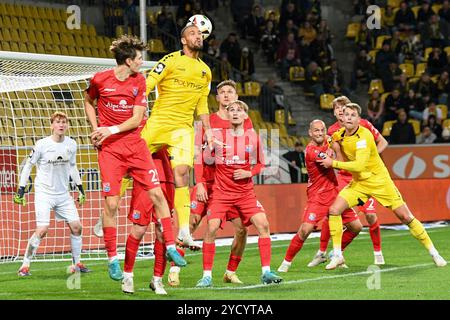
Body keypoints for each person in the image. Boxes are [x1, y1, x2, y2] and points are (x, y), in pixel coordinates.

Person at [84, 35, 185, 281]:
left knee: (157, 194)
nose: (143, 62)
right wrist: (95, 127)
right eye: (140, 58)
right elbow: (88, 101)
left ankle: (170, 246)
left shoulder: (139, 81)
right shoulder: (100, 79)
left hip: (135, 146)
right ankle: (112, 260)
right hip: (110, 151)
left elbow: (137, 119)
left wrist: (109, 129)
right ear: (128, 60)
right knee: (111, 203)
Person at [317, 103, 447, 269]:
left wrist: (332, 162)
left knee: (406, 217)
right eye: (346, 114)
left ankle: (434, 253)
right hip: (359, 184)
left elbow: (359, 166)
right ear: (340, 118)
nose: (348, 117)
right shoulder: (339, 135)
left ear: (359, 120)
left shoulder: (364, 136)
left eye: (352, 115)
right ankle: (337, 255)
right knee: (334, 210)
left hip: (380, 182)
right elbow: (331, 141)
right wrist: (329, 148)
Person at [168, 80, 252, 287]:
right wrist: (200, 183)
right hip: (207, 183)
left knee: (242, 229)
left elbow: (249, 152)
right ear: (217, 98)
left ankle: (230, 272)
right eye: (222, 92)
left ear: (236, 96)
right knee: (190, 223)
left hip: (231, 187)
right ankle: (174, 269)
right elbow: (198, 154)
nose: (226, 95)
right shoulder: (207, 123)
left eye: (230, 92)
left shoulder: (245, 122)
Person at [141, 24, 214, 251]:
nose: (198, 36)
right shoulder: (170, 60)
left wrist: (208, 130)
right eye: (193, 33)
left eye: (200, 34)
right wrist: (137, 106)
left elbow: (202, 103)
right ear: (183, 40)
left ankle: (184, 230)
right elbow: (148, 83)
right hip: (159, 123)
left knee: (182, 173)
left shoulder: (206, 70)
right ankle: (108, 209)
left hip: (183, 128)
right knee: (129, 163)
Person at [196, 100, 283, 287]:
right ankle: (206, 276)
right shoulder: (217, 137)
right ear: (227, 115)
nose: (235, 112)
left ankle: (266, 272)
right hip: (221, 194)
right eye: (231, 110)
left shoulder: (253, 137)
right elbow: (201, 162)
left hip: (245, 194)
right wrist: (200, 183)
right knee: (211, 228)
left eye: (239, 110)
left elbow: (261, 164)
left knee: (263, 225)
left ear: (245, 115)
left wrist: (248, 172)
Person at [308, 96, 388, 267]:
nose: (339, 111)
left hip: (364, 177)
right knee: (333, 212)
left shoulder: (364, 124)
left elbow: (383, 142)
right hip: (343, 177)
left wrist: (369, 159)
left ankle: (378, 252)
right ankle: (324, 252)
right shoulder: (332, 131)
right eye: (336, 108)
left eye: (342, 107)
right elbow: (329, 151)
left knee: (371, 215)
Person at [277, 120, 362, 273]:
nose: (320, 133)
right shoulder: (311, 150)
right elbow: (336, 162)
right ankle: (286, 263)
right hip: (318, 196)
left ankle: (336, 253)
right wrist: (336, 145)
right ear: (310, 133)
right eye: (316, 130)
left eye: (322, 130)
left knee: (356, 227)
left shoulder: (329, 140)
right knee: (305, 230)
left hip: (335, 193)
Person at [14, 112, 90, 276]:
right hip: (44, 194)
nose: (61, 125)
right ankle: (25, 265)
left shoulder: (71, 144)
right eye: (58, 122)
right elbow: (28, 166)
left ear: (67, 125)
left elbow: (72, 166)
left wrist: (80, 188)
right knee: (42, 230)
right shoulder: (41, 144)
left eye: (64, 122)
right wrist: (21, 189)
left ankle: (76, 263)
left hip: (63, 194)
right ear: (52, 126)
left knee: (77, 227)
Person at [121, 148, 174, 295]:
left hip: (165, 177)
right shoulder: (136, 125)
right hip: (144, 177)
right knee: (139, 229)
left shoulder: (170, 124)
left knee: (162, 232)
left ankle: (157, 279)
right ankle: (127, 276)